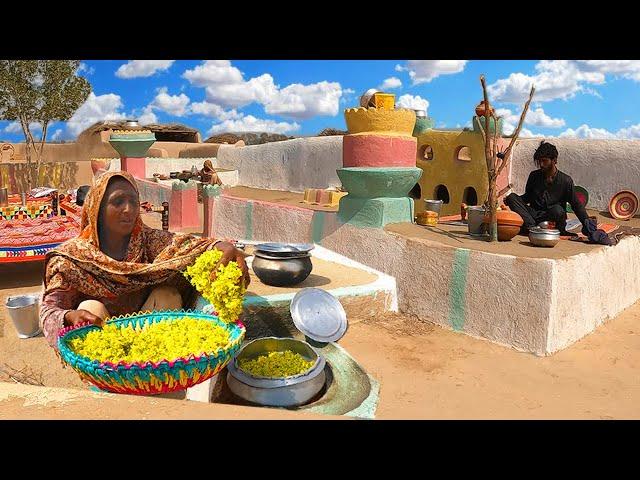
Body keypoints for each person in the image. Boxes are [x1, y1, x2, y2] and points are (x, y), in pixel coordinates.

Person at [40, 171, 250, 349]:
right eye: (118, 202)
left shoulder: (149, 241)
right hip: (104, 343)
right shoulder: (71, 258)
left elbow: (189, 246)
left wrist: (221, 247)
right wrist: (68, 316)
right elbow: (49, 311)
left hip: (150, 335)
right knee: (90, 307)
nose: (129, 210)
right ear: (97, 209)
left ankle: (156, 368)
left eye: (133, 201)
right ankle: (113, 376)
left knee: (167, 294)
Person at [504, 141, 589, 237]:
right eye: (539, 161)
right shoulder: (534, 176)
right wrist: (512, 200)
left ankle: (541, 229)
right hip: (533, 216)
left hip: (552, 217)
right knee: (512, 197)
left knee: (557, 210)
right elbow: (527, 197)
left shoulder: (566, 180)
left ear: (554, 160)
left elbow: (576, 204)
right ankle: (532, 228)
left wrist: (587, 224)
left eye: (544, 161)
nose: (541, 164)